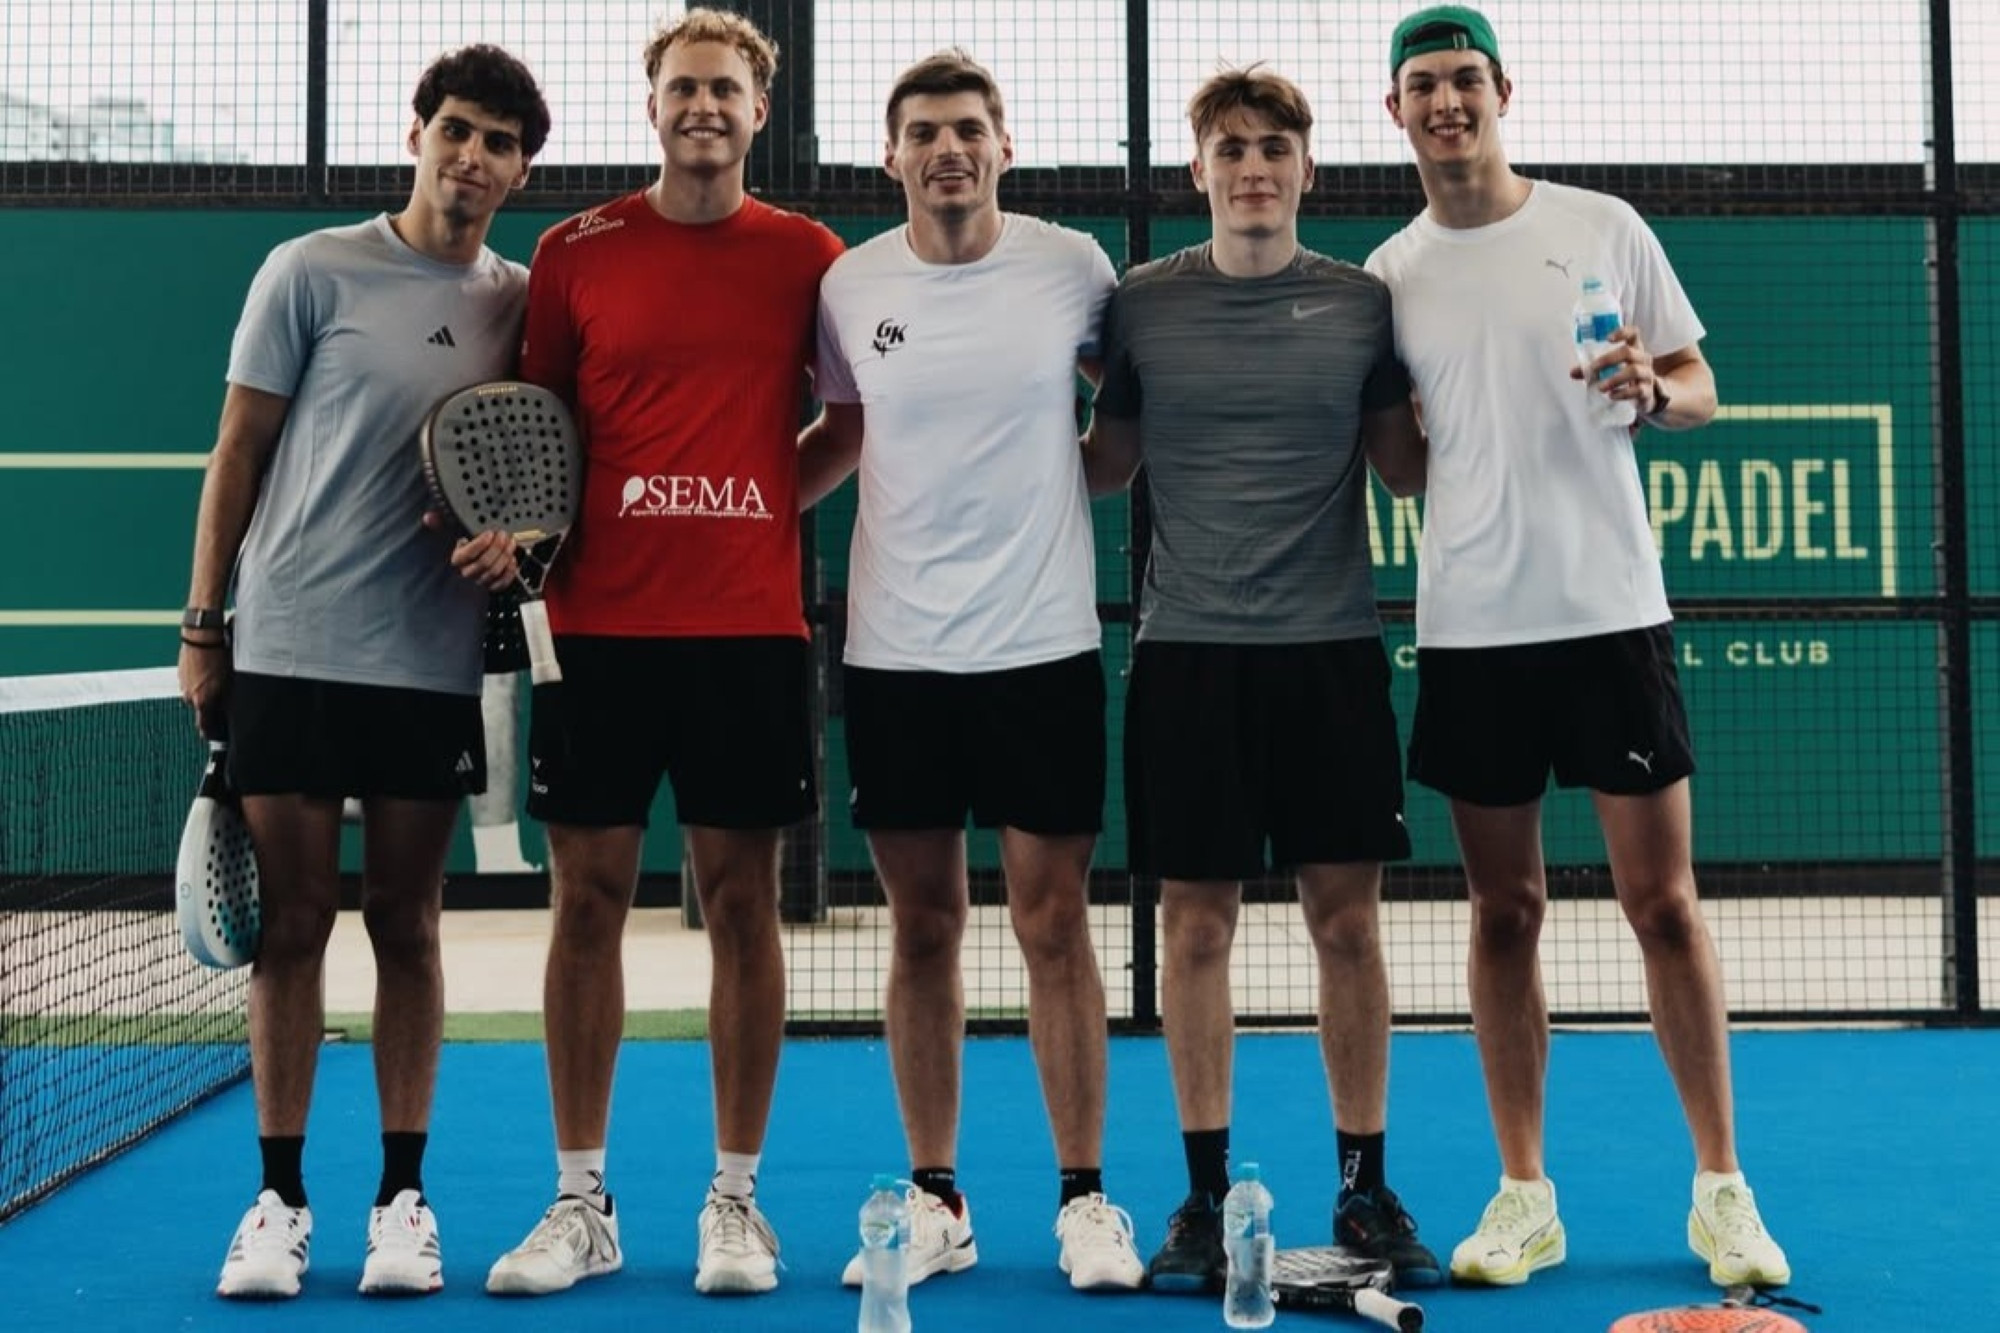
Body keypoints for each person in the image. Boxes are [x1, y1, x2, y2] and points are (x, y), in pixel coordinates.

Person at [1364, 4, 1790, 1290]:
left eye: (1464, 79)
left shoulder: (1600, 226)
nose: (1446, 102)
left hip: (1609, 617)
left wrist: (1656, 392)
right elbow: (1401, 469)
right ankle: (1522, 1195)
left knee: (1661, 905)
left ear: (1503, 92)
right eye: (1423, 85)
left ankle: (1721, 1191)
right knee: (1502, 911)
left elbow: (1698, 385)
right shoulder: (1388, 275)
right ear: (1394, 111)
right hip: (1471, 629)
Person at [176, 45, 549, 1299]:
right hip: (288, 642)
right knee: (292, 923)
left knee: (406, 921)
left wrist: (520, 540)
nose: (473, 158)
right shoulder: (310, 270)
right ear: (417, 135)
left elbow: (534, 474)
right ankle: (278, 1201)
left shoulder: (521, 303)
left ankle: (402, 1199)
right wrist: (203, 624)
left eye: (499, 143)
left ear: (520, 170)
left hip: (428, 663)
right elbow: (237, 450)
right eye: (457, 130)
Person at [482, 8, 842, 1300]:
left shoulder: (808, 255)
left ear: (759, 111)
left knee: (742, 905)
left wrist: (756, 500)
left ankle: (734, 1201)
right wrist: (544, 530)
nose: (703, 107)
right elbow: (542, 430)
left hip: (746, 634)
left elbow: (847, 419)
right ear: (653, 106)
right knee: (584, 902)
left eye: (725, 90)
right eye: (683, 87)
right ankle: (581, 1200)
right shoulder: (572, 253)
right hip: (598, 634)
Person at [1079, 66, 1440, 1293]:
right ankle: (1198, 1196)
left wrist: (1530, 392)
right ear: (1197, 169)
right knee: (1195, 926)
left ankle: (1363, 1186)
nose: (1250, 168)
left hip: (1329, 653)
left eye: (1272, 148)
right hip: (1187, 656)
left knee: (1346, 923)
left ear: (1305, 169)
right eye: (1228, 149)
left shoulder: (1360, 305)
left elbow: (1405, 468)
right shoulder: (1138, 306)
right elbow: (1104, 465)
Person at [796, 48, 1146, 1294]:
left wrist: (1070, 476)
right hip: (895, 654)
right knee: (923, 926)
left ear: (1004, 146)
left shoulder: (1070, 266)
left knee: (1052, 922)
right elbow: (841, 433)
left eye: (966, 129)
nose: (946, 150)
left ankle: (1083, 1197)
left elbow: (1127, 410)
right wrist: (725, 513)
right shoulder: (848, 285)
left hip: (1040, 649)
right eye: (923, 132)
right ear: (890, 155)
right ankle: (936, 1197)